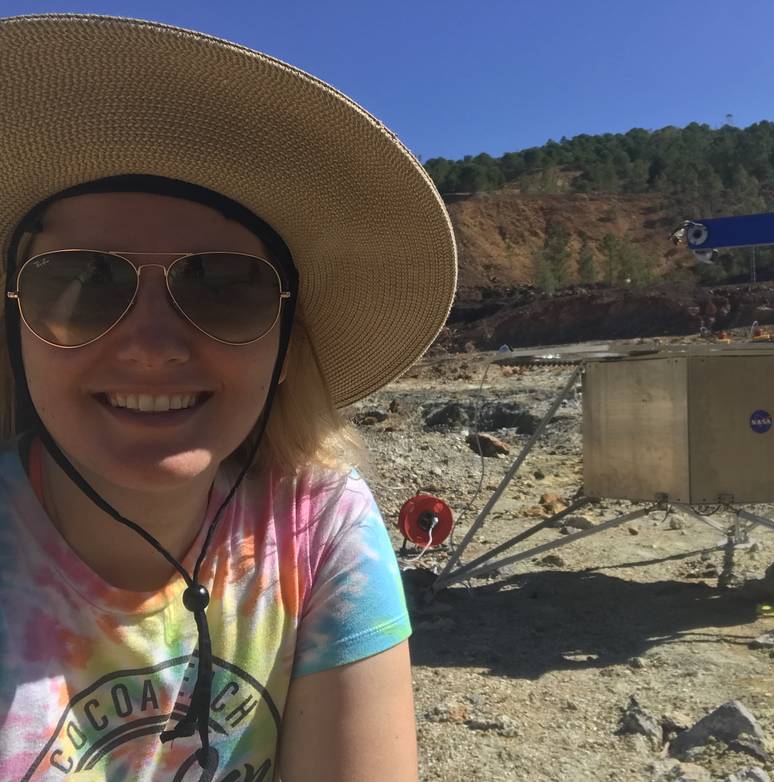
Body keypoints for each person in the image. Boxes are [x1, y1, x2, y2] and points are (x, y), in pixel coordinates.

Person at [0, 13, 456, 781]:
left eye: (222, 287)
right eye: (79, 284)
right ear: (14, 331)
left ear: (287, 348)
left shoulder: (317, 526)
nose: (151, 343)